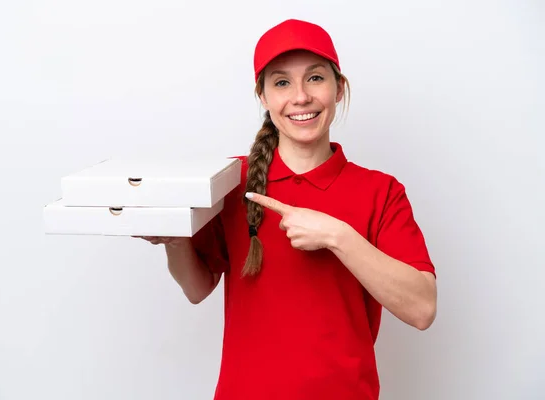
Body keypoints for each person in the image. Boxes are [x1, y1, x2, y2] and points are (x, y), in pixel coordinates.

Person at [138, 18, 437, 400]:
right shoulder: (229, 182)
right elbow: (197, 289)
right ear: (262, 96)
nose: (300, 97)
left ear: (339, 88)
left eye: (315, 78)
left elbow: (422, 309)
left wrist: (337, 235)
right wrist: (174, 240)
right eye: (281, 82)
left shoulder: (381, 192)